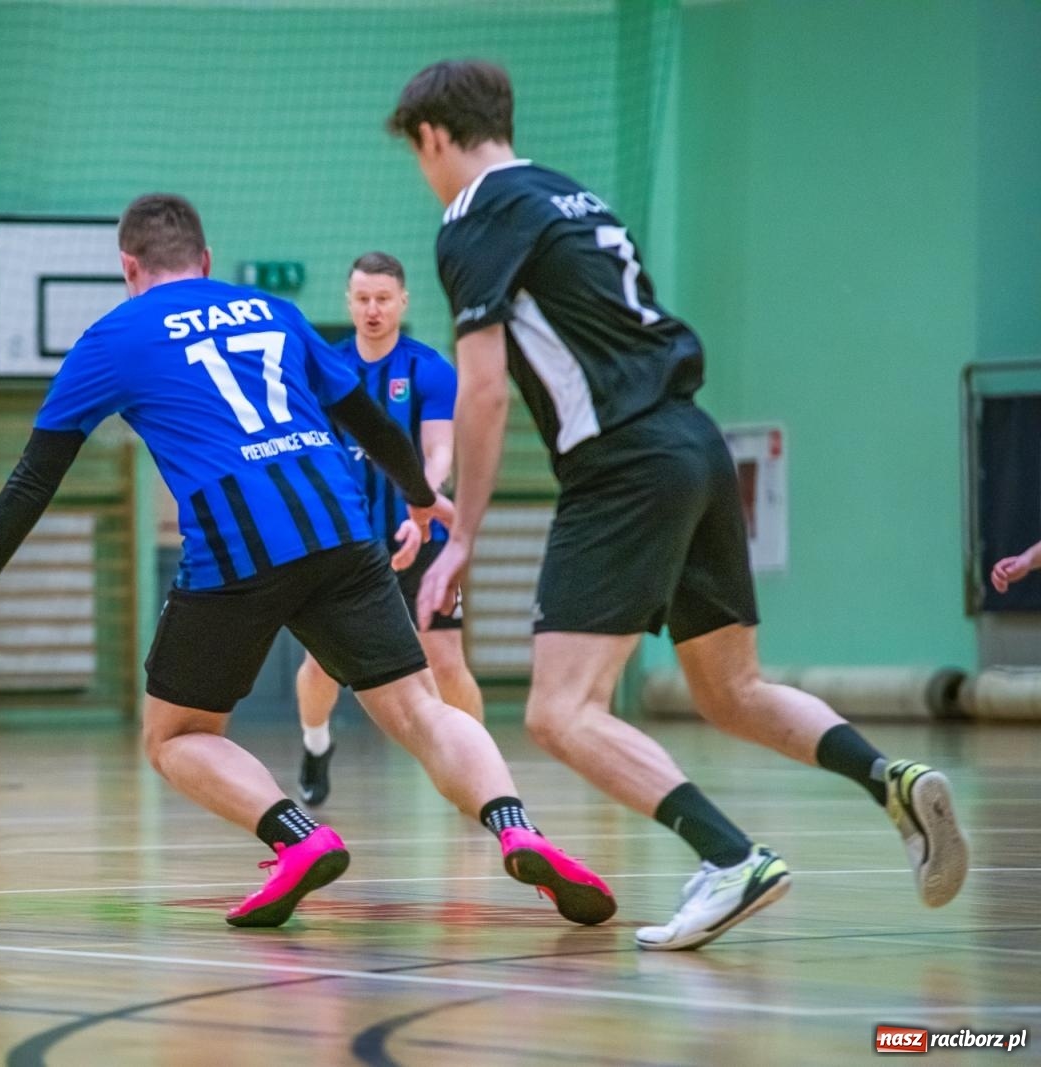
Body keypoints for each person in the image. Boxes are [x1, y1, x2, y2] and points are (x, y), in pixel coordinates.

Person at [0, 193, 615, 929]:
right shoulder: (268, 310)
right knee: (420, 710)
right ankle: (515, 826)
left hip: (236, 550)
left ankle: (298, 837)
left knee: (177, 734)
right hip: (342, 528)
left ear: (128, 266)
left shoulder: (114, 336)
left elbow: (33, 475)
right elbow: (367, 419)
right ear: (206, 261)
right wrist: (415, 495)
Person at [387, 60, 968, 950]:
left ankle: (728, 856)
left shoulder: (471, 217)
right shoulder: (574, 199)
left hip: (621, 465)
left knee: (559, 711)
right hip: (696, 441)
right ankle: (889, 776)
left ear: (433, 136)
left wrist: (462, 530)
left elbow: (486, 389)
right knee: (732, 688)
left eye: (416, 155)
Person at [295, 251, 484, 807]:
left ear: (403, 301)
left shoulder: (428, 369)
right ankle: (315, 742)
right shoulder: (321, 370)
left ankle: (479, 773)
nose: (372, 309)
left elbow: (440, 447)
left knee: (447, 661)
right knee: (321, 665)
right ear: (348, 302)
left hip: (422, 532)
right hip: (347, 541)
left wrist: (420, 504)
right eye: (362, 299)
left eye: (383, 298)